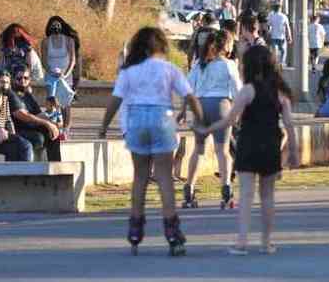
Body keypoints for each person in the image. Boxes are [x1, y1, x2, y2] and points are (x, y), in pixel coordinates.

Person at [99, 27, 204, 256]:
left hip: (136, 120)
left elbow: (115, 101)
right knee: (165, 178)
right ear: (161, 46)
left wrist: (104, 127)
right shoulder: (170, 69)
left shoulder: (129, 71)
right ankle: (173, 233)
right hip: (162, 118)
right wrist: (201, 120)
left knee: (140, 177)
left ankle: (136, 229)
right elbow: (190, 97)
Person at [195, 45, 299, 255]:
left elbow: (229, 120)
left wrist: (206, 128)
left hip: (249, 144)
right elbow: (289, 125)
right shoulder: (280, 94)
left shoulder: (248, 90)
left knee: (246, 196)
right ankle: (266, 243)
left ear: (249, 66)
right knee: (268, 197)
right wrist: (293, 151)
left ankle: (241, 242)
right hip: (271, 145)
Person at [180, 30, 241, 209]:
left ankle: (189, 191)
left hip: (199, 107)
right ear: (227, 46)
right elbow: (237, 89)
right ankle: (226, 191)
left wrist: (183, 110)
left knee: (198, 150)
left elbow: (187, 88)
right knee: (222, 151)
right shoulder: (228, 64)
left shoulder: (199, 64)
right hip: (221, 105)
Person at [9, 67, 62, 161]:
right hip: (16, 129)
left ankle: (54, 167)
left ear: (29, 79)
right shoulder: (11, 94)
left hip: (30, 127)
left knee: (54, 132)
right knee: (39, 138)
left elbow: (39, 113)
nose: (22, 81)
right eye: (19, 78)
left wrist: (52, 123)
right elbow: (22, 115)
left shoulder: (27, 94)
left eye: (25, 78)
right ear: (13, 79)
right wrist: (47, 123)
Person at [0, 72, 32, 161]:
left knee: (13, 150)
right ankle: (28, 174)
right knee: (25, 145)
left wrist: (2, 131)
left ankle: (13, 174)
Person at [42, 16, 77, 136]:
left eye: (58, 25)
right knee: (52, 101)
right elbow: (44, 60)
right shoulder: (46, 41)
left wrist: (65, 74)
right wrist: (50, 71)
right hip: (51, 75)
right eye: (53, 26)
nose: (55, 28)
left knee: (65, 103)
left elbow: (73, 60)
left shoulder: (69, 40)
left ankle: (66, 128)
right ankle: (54, 126)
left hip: (65, 75)